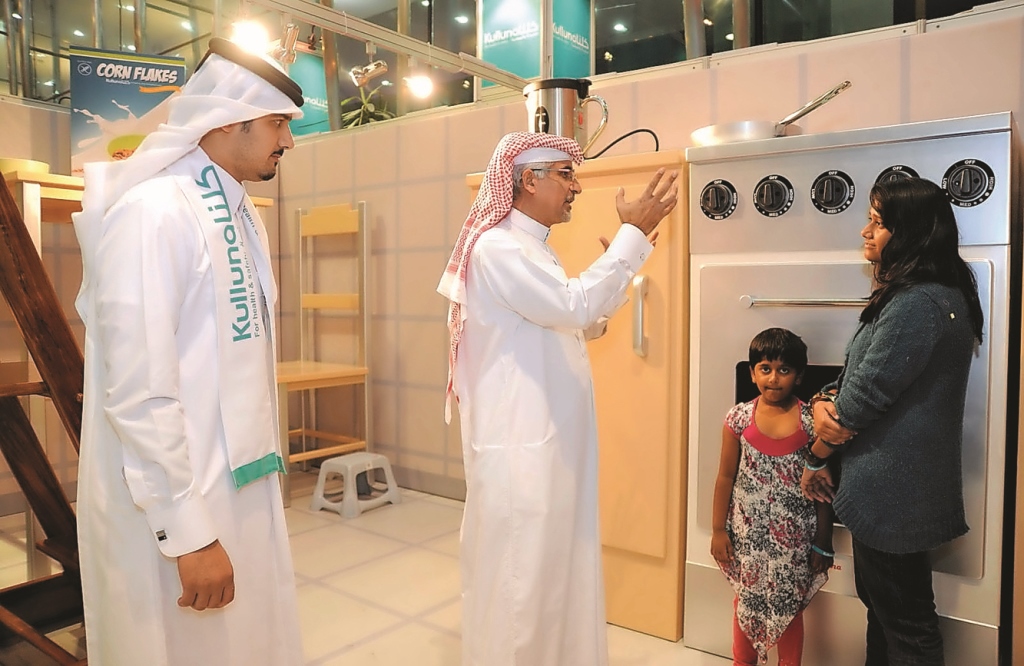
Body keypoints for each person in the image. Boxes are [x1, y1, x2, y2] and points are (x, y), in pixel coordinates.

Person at [72, 37, 305, 665]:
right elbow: (139, 389)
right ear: (226, 119)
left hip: (235, 482)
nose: (288, 141)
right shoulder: (152, 214)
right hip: (174, 502)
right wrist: (190, 534)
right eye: (278, 123)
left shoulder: (236, 210)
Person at [436, 131, 678, 666]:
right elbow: (572, 309)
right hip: (522, 453)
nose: (576, 187)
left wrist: (617, 265)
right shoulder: (499, 248)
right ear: (527, 180)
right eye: (566, 174)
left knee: (551, 581)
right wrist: (630, 238)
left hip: (546, 449)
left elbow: (573, 323)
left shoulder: (530, 248)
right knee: (522, 590)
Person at [800, 177, 984, 666]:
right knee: (885, 612)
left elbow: (856, 405)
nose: (864, 231)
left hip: (893, 493)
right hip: (897, 489)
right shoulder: (921, 296)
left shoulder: (917, 304)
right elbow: (851, 378)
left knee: (907, 626)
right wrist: (822, 402)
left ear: (912, 233)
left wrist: (815, 454)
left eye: (878, 223)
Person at [711, 328, 832, 666]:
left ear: (799, 376)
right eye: (765, 368)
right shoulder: (737, 419)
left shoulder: (811, 422)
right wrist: (718, 529)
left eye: (784, 370)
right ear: (752, 373)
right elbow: (724, 477)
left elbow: (823, 488)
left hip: (793, 543)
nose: (774, 378)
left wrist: (823, 541)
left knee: (789, 607)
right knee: (745, 600)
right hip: (747, 538)